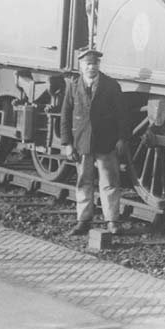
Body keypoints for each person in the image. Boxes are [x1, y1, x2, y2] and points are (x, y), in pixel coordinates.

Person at [60, 47, 129, 235]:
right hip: (82, 142)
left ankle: (112, 220)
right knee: (83, 182)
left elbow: (122, 115)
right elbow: (65, 115)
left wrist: (122, 138)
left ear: (99, 65)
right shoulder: (73, 86)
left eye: (95, 63)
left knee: (110, 182)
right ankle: (83, 220)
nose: (91, 67)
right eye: (87, 64)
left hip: (106, 142)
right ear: (81, 66)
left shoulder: (111, 85)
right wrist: (67, 143)